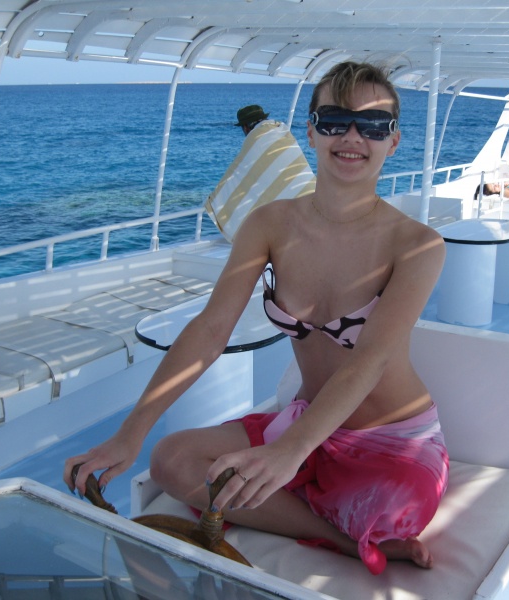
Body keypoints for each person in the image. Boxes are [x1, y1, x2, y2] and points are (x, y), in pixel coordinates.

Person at [66, 61, 449, 576]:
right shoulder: (270, 224)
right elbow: (210, 330)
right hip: (305, 426)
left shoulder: (418, 245)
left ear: (393, 141)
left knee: (393, 509)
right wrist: (130, 433)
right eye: (335, 120)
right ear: (311, 131)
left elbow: (370, 361)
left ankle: (319, 506)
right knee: (170, 460)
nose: (352, 137)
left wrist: (290, 450)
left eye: (373, 125)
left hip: (390, 440)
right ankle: (335, 538)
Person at [205, 104, 316, 241]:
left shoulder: (256, 138)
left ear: (245, 127)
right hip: (313, 203)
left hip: (296, 217)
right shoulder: (281, 131)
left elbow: (238, 173)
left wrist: (214, 201)